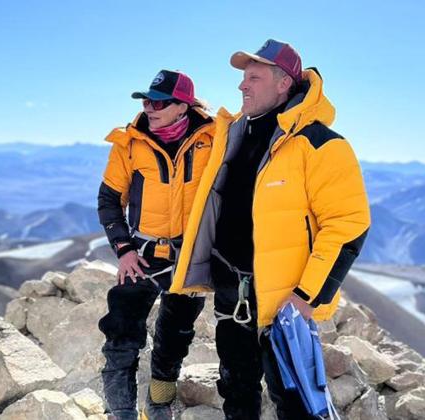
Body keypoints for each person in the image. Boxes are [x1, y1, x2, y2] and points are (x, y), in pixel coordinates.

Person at [170, 40, 371, 419]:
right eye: (243, 79)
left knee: (294, 402)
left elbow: (348, 225)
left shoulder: (320, 145)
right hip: (232, 292)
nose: (242, 87)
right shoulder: (232, 135)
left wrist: (306, 296)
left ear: (283, 84)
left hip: (283, 303)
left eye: (253, 78)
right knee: (236, 389)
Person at [97, 69, 215, 419]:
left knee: (175, 336)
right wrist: (123, 249)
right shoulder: (129, 142)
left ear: (183, 106)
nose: (150, 107)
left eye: (159, 102)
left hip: (190, 255)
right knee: (121, 330)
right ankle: (120, 411)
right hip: (142, 253)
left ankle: (159, 405)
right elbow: (108, 201)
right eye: (147, 100)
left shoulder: (214, 137)